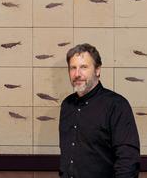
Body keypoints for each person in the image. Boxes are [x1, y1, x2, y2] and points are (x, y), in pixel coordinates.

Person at [59, 43, 140, 178]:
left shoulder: (117, 105)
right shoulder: (67, 105)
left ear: (97, 70)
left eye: (84, 67)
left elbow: (128, 160)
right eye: (73, 68)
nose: (77, 74)